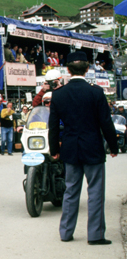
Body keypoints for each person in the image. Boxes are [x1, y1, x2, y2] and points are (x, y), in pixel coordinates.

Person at [48, 51, 118, 245]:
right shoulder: (95, 92)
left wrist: (54, 149)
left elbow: (53, 126)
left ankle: (66, 232)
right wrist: (113, 146)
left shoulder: (58, 94)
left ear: (68, 70)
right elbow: (106, 122)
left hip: (70, 148)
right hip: (93, 147)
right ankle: (95, 235)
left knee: (70, 191)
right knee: (95, 192)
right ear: (87, 69)